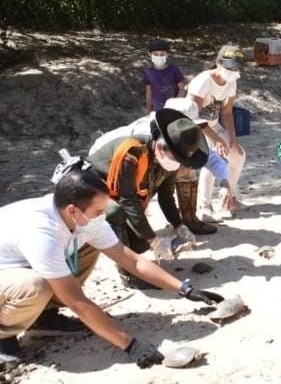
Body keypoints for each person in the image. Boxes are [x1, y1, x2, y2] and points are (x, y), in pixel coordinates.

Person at [0, 157, 224, 366]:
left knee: (87, 246)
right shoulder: (42, 233)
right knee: (34, 286)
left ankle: (45, 317)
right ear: (72, 210)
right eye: (98, 211)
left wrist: (184, 289)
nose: (102, 215)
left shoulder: (82, 219)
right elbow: (77, 301)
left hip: (17, 262)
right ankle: (4, 334)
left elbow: (131, 261)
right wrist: (129, 344)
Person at [86, 109, 208, 290]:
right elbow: (126, 199)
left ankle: (130, 257)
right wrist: (154, 240)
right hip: (91, 194)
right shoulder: (132, 152)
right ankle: (128, 275)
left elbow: (166, 198)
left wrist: (180, 226)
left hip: (119, 197)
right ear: (160, 147)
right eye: (178, 159)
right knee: (117, 212)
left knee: (140, 243)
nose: (181, 166)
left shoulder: (166, 162)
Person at [89, 97, 231, 235]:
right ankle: (118, 228)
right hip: (109, 161)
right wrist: (150, 237)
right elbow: (129, 192)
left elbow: (210, 158)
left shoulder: (181, 138)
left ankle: (188, 220)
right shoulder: (143, 137)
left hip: (140, 160)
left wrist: (225, 183)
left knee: (181, 171)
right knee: (129, 200)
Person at [188, 45, 246, 221]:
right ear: (218, 63)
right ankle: (204, 207)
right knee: (213, 157)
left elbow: (227, 113)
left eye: (237, 68)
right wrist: (216, 141)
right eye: (229, 68)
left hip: (213, 126)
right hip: (193, 128)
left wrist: (232, 140)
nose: (233, 72)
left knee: (237, 155)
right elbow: (193, 116)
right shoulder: (203, 81)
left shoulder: (231, 82)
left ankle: (228, 198)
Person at [144, 38, 186, 113]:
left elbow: (182, 90)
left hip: (174, 110)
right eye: (156, 54)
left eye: (162, 54)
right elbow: (148, 93)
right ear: (149, 54)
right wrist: (148, 112)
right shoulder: (148, 73)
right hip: (157, 111)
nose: (159, 57)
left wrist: (174, 104)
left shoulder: (174, 70)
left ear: (167, 54)